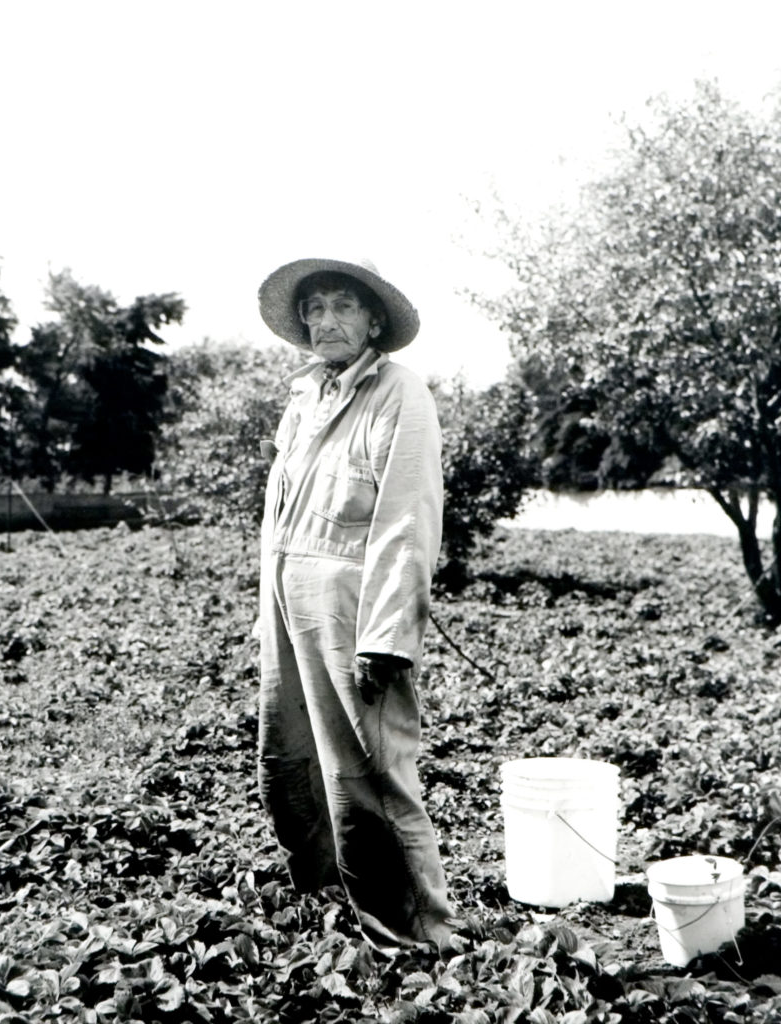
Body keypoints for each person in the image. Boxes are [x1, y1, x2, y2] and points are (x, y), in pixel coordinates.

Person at [255, 257, 455, 952]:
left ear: (373, 321)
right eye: (314, 308)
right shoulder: (304, 396)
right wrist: (267, 610)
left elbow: (407, 519)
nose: (326, 320)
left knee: (370, 770)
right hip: (285, 601)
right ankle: (325, 896)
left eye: (343, 305)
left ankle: (417, 931)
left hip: (352, 606)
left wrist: (386, 635)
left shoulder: (400, 394)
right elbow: (281, 518)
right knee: (289, 757)